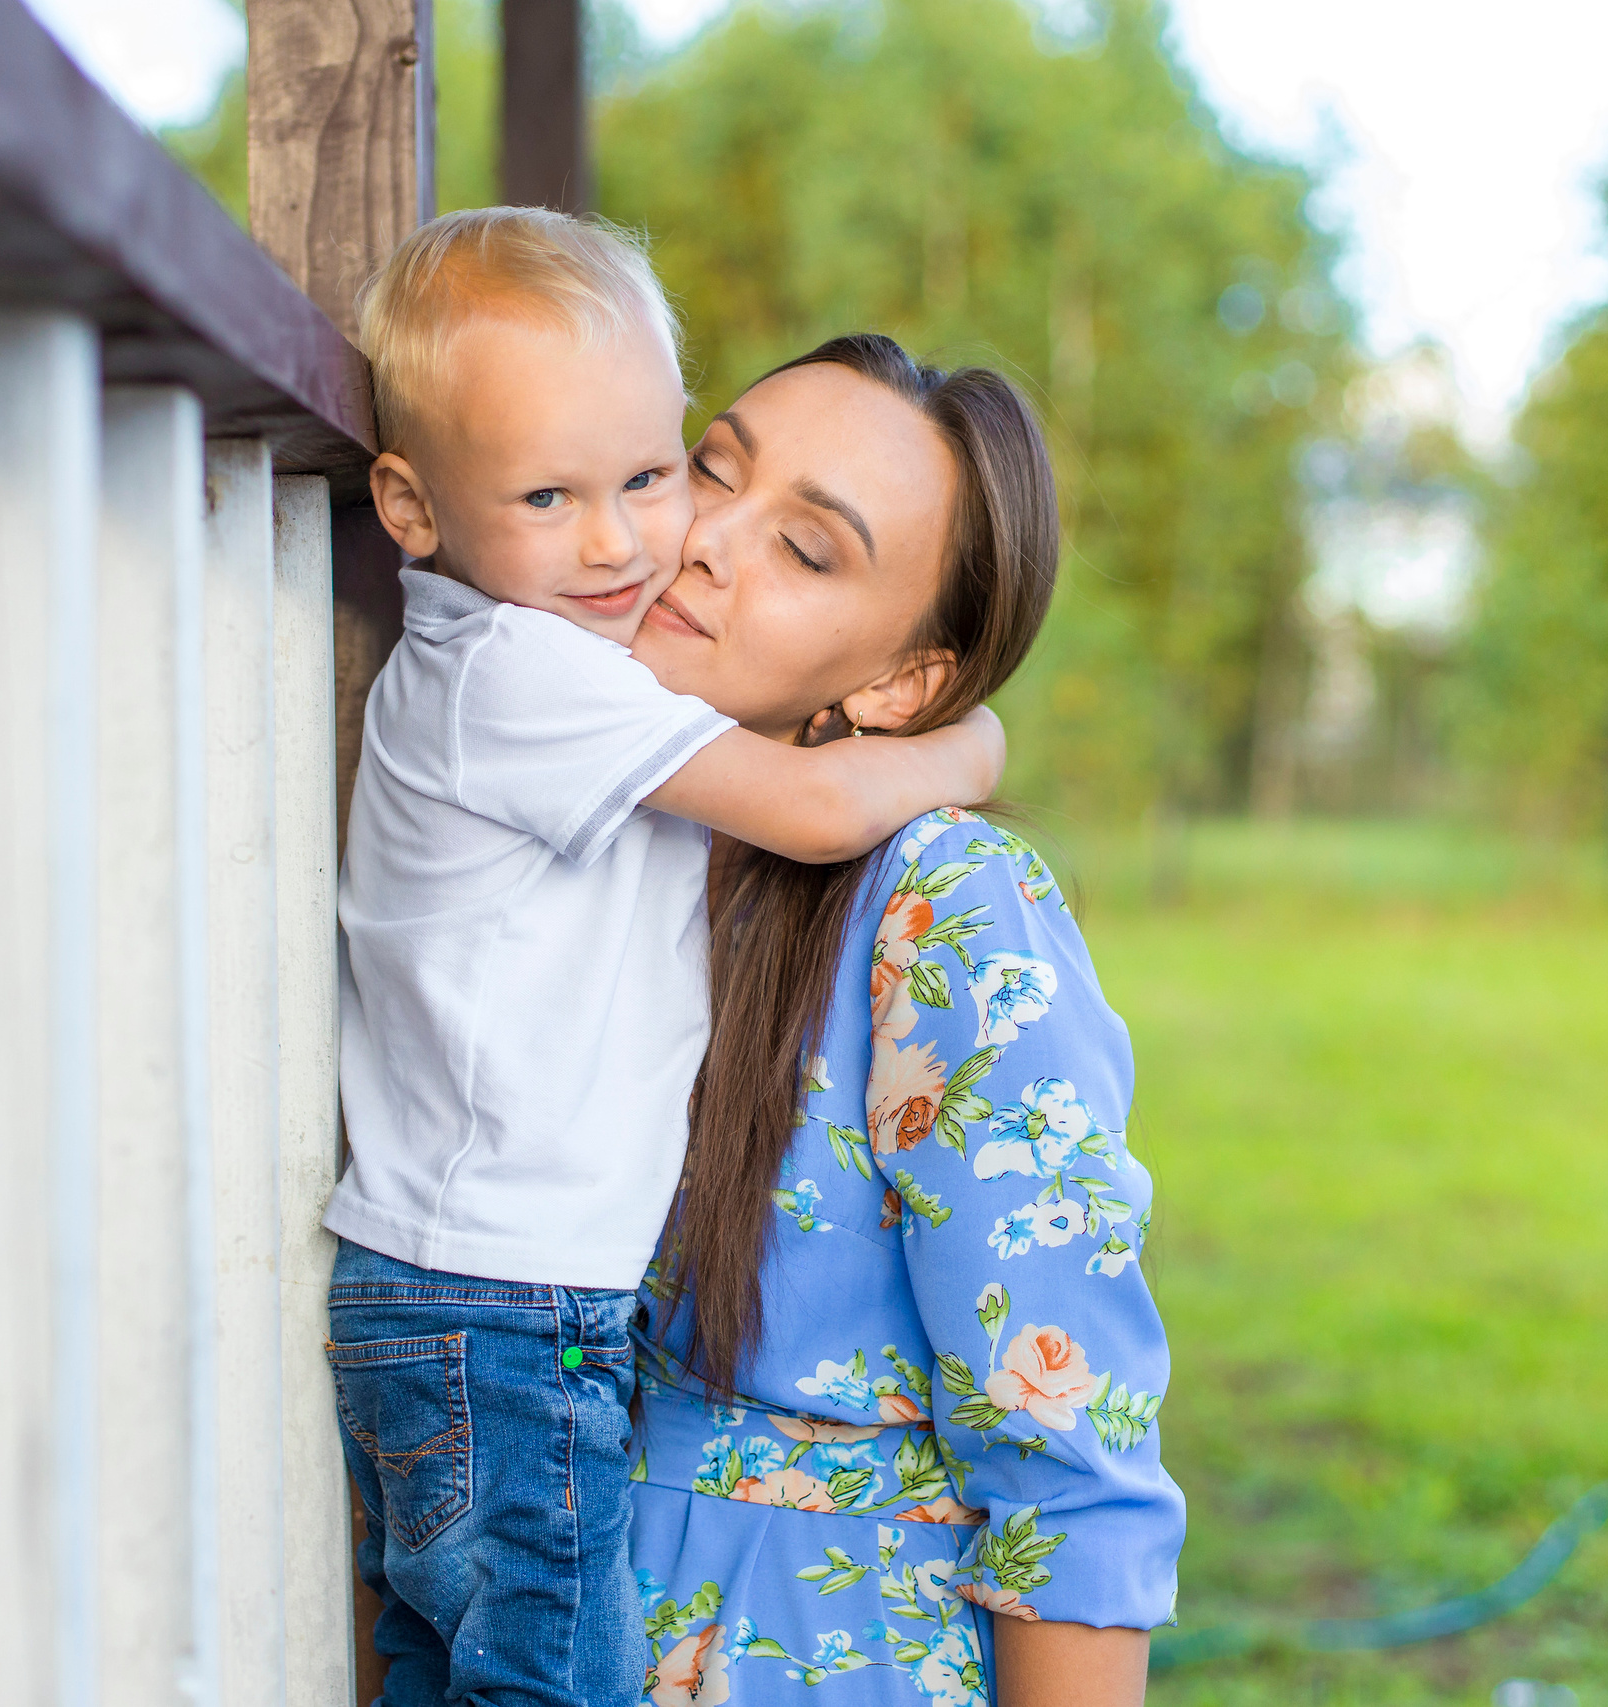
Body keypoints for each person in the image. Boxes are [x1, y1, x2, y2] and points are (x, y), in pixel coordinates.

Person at [320, 211, 1009, 1707]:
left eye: (648, 474)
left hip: (458, 1298)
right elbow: (816, 807)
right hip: (508, 1306)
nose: (628, 542)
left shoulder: (509, 660)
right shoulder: (525, 672)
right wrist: (973, 746)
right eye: (550, 494)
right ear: (412, 506)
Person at [625, 335, 1185, 1707]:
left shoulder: (943, 908)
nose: (708, 542)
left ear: (896, 687)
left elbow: (1071, 1471)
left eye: (806, 549)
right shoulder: (568, 832)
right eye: (712, 470)